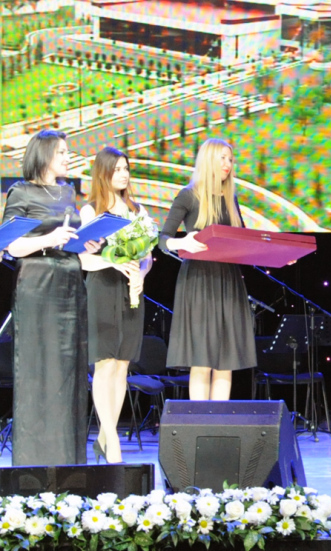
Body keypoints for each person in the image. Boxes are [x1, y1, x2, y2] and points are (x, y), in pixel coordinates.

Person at [2, 129, 101, 466]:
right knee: (38, 371)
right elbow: (11, 246)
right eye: (61, 152)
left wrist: (86, 243)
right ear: (43, 155)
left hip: (71, 286)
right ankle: (33, 465)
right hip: (38, 288)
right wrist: (51, 239)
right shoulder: (21, 192)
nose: (67, 156)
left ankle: (69, 463)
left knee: (70, 375)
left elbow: (68, 237)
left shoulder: (67, 192)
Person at [159, 138, 256, 400]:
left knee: (225, 361)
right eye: (222, 158)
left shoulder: (230, 198)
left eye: (230, 159)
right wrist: (182, 241)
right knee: (201, 360)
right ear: (209, 160)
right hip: (199, 282)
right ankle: (199, 425)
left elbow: (245, 241)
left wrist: (280, 255)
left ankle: (219, 425)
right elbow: (162, 239)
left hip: (229, 281)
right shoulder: (188, 195)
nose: (228, 164)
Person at [79, 147, 153, 464]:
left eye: (126, 169)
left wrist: (142, 274)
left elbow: (147, 255)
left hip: (130, 293)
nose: (123, 174)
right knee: (104, 365)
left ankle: (107, 437)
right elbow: (83, 258)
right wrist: (113, 260)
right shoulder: (91, 211)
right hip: (102, 290)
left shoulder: (138, 210)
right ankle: (113, 443)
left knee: (122, 365)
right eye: (117, 169)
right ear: (103, 173)